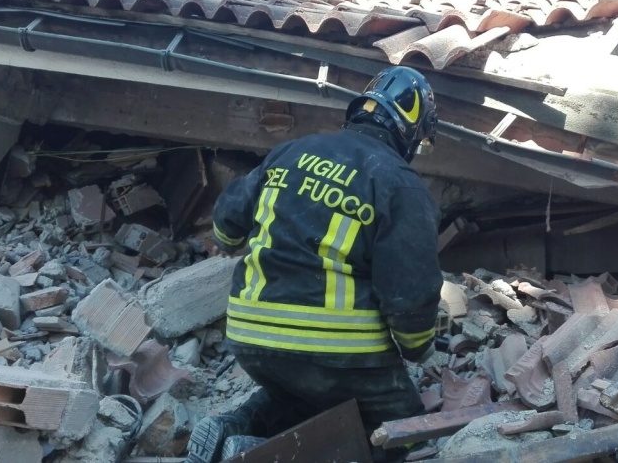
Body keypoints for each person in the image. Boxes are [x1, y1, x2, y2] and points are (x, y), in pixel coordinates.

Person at [186, 66, 444, 463]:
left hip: (249, 331)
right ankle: (273, 458)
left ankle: (233, 430)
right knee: (403, 435)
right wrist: (418, 347)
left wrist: (232, 241)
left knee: (298, 395)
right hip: (337, 343)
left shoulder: (292, 152)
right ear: (410, 132)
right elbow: (409, 293)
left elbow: (226, 226)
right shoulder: (399, 182)